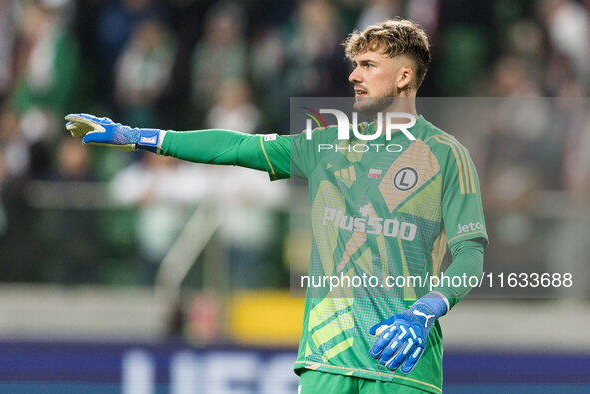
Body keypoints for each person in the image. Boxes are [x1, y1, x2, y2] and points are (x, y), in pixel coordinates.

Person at [66, 19, 487, 394]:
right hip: (328, 357)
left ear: (404, 76)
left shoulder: (447, 156)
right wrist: (137, 135)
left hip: (404, 362)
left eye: (369, 66)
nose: (354, 76)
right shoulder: (328, 143)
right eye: (354, 65)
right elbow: (235, 145)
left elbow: (470, 255)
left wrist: (426, 310)